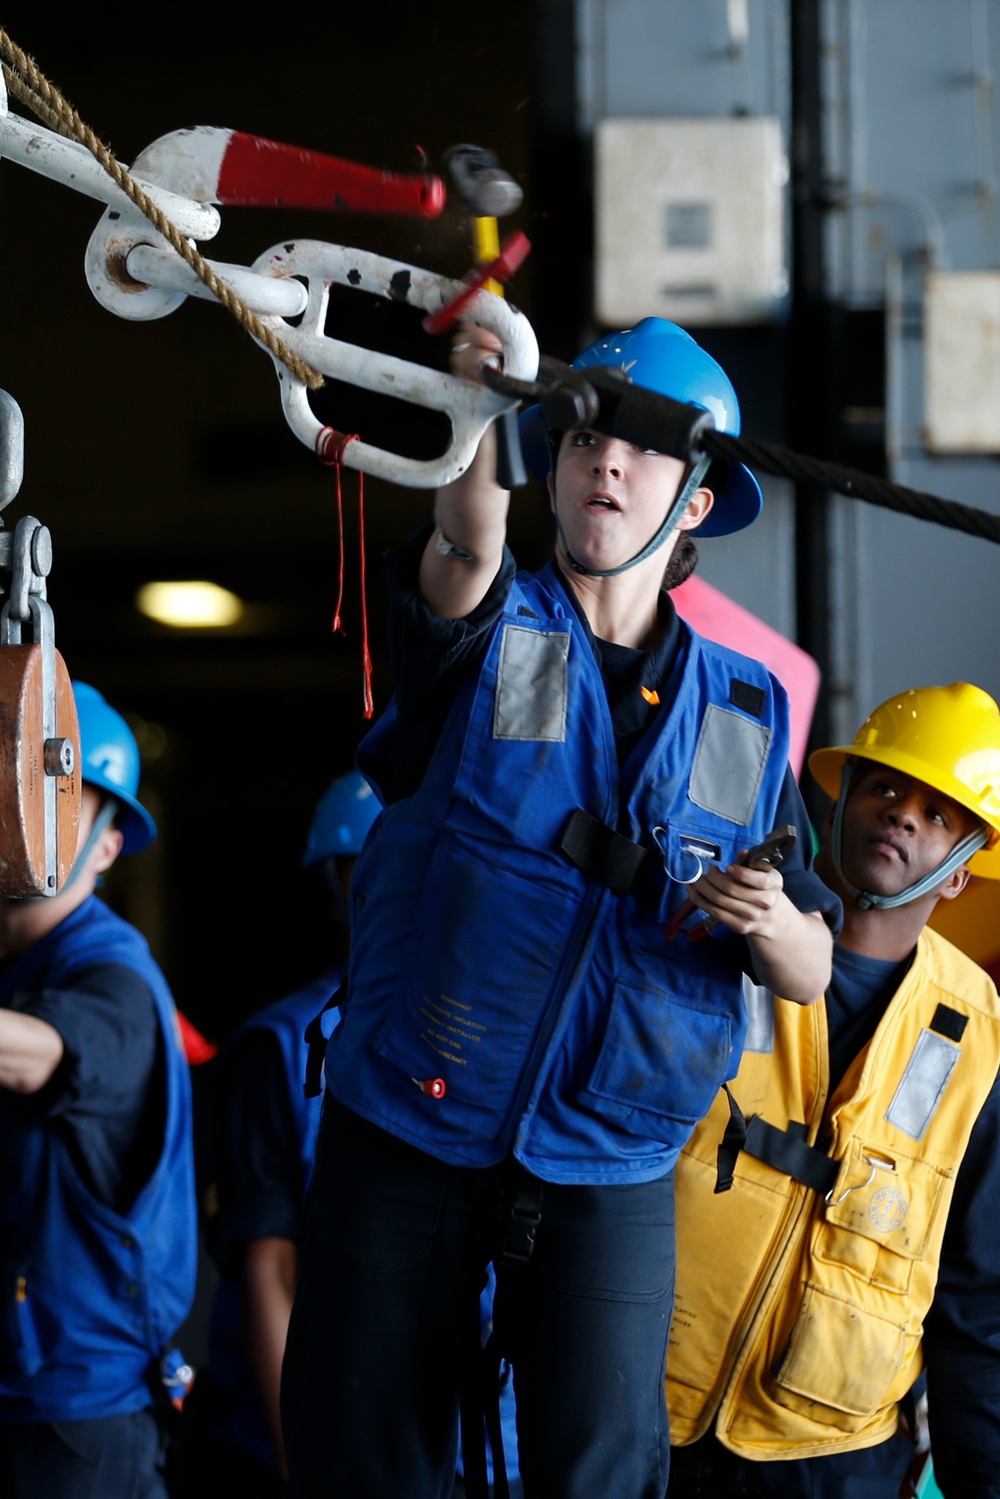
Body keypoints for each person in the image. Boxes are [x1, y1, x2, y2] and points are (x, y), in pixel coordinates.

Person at [282, 316, 839, 1499]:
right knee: (362, 1465)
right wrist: (475, 409)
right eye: (586, 436)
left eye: (643, 451)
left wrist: (768, 920)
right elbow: (463, 539)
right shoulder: (483, 629)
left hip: (611, 1159)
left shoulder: (743, 717)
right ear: (552, 457)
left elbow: (807, 965)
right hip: (409, 1131)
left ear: (694, 503)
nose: (609, 465)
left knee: (599, 1474)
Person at [665, 681, 1000, 1499]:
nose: (903, 815)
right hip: (647, 1415)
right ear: (839, 798)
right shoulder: (721, 934)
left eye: (939, 813)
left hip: (832, 1457)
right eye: (885, 787)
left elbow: (979, 1296)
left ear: (961, 874)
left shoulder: (980, 1035)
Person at [0, 681, 196, 1498]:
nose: (21, 814)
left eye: (59, 800)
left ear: (110, 848)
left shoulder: (112, 976)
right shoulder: (18, 967)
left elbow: (35, 1053)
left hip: (78, 1419)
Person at [193, 770, 380, 1496]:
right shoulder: (281, 1047)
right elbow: (270, 1270)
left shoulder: (498, 1041)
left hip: (470, 1439)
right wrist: (301, 1470)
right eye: (370, 871)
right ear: (337, 888)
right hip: (313, 1435)